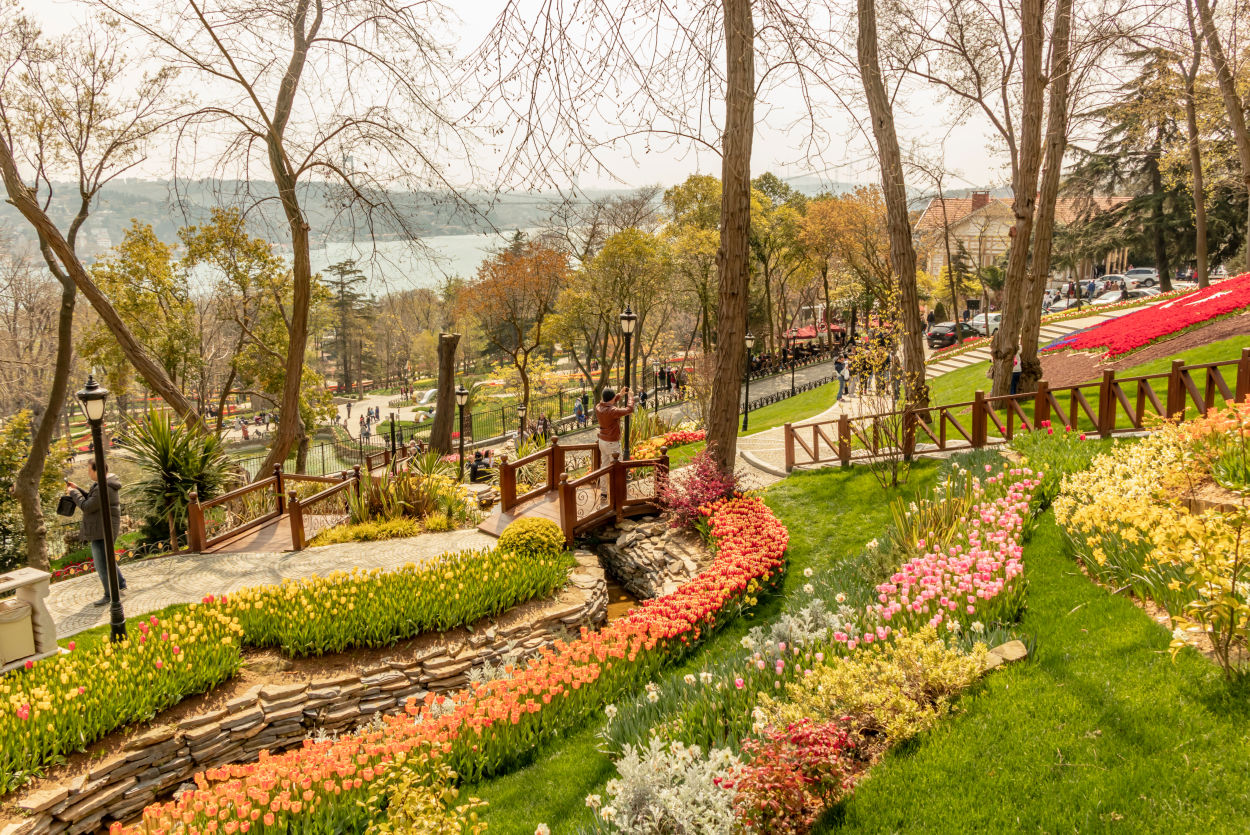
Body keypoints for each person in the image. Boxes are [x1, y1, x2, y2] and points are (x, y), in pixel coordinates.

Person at [66, 461, 127, 607]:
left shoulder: (103, 487)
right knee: (108, 557)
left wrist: (73, 493)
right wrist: (78, 489)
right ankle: (120, 583)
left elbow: (87, 506)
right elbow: (94, 500)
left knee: (101, 564)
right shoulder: (104, 485)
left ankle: (110, 594)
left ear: (97, 471)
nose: (88, 473)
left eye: (89, 470)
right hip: (103, 527)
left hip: (102, 530)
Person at [595, 387, 634, 500]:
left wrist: (619, 395)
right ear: (611, 399)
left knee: (604, 467)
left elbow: (609, 402)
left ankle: (604, 492)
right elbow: (629, 410)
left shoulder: (598, 406)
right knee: (617, 468)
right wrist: (630, 397)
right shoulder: (612, 411)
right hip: (612, 443)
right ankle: (618, 492)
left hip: (602, 441)